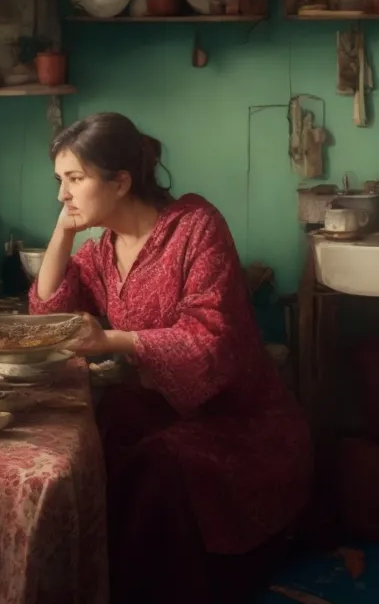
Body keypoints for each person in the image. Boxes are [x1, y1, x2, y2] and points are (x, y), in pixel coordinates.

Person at [28, 113, 313, 603]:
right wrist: (63, 233)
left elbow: (209, 342)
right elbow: (50, 312)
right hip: (165, 408)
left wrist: (114, 341)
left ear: (120, 181)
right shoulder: (102, 251)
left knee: (157, 466)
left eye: (74, 180)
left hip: (237, 419)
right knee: (99, 433)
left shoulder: (196, 228)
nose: (63, 195)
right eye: (59, 181)